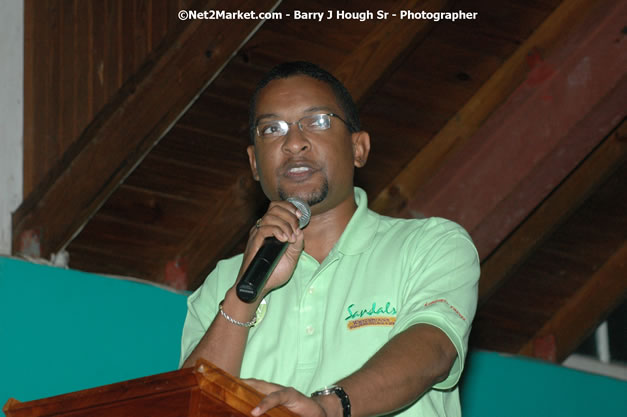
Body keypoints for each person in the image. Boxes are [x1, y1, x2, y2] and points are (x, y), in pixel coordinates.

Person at [179, 61, 480, 417]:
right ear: (254, 163)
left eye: (318, 121)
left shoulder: (430, 245)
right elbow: (188, 406)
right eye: (272, 129)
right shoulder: (222, 284)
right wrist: (244, 296)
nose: (293, 143)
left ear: (359, 148)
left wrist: (326, 408)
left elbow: (434, 350)